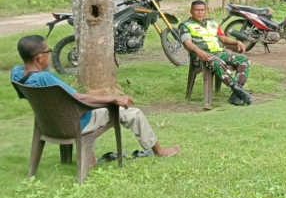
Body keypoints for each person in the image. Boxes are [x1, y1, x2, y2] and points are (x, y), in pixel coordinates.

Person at [11, 35, 180, 161]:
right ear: (39, 57)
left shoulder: (17, 73)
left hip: (50, 124)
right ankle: (159, 151)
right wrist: (113, 99)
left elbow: (67, 96)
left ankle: (89, 158)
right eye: (48, 51)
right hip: (76, 123)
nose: (50, 53)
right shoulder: (45, 79)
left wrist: (98, 95)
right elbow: (76, 97)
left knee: (100, 100)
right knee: (133, 113)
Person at [179, 0, 253, 105]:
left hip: (219, 53)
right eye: (196, 10)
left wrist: (237, 42)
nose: (200, 12)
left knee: (244, 59)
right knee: (217, 62)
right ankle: (239, 91)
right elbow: (187, 43)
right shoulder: (185, 25)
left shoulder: (212, 23)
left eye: (202, 10)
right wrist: (198, 51)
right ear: (191, 11)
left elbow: (223, 39)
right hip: (201, 56)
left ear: (206, 11)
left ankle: (237, 93)